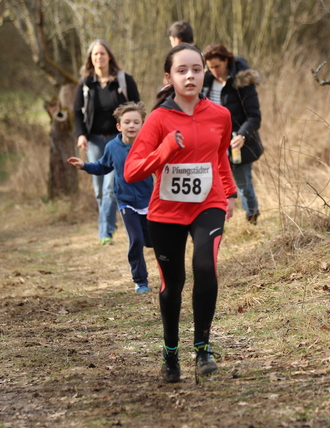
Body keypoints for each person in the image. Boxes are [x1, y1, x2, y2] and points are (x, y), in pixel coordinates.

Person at [124, 44, 237, 383]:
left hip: (208, 204)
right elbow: (132, 171)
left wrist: (230, 192)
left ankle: (203, 349)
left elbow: (220, 157)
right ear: (169, 77)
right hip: (166, 212)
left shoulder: (220, 115)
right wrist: (166, 149)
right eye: (182, 70)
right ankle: (170, 354)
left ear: (204, 74)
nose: (190, 76)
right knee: (172, 285)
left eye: (196, 69)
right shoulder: (158, 119)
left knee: (205, 266)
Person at [68, 102, 153, 293]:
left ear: (143, 125)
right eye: (127, 122)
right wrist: (84, 165)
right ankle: (141, 280)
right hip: (126, 203)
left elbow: (160, 167)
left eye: (136, 122)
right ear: (119, 126)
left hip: (149, 201)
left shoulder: (149, 145)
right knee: (136, 240)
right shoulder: (113, 147)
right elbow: (102, 166)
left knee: (152, 241)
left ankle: (168, 273)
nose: (131, 126)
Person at [74, 39, 141, 245]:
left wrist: (133, 132)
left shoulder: (123, 80)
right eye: (95, 54)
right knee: (98, 188)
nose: (99, 57)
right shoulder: (85, 84)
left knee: (110, 187)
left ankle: (105, 232)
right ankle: (109, 224)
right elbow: (77, 112)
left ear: (109, 56)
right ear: (90, 58)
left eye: (102, 53)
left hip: (118, 141)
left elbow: (137, 106)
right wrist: (81, 134)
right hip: (94, 141)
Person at [202, 43, 264, 225]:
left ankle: (252, 219)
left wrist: (242, 136)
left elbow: (254, 116)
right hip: (213, 143)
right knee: (214, 186)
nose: (214, 71)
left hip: (238, 144)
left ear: (226, 61)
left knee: (244, 186)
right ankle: (216, 223)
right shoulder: (205, 83)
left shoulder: (241, 82)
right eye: (210, 67)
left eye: (217, 66)